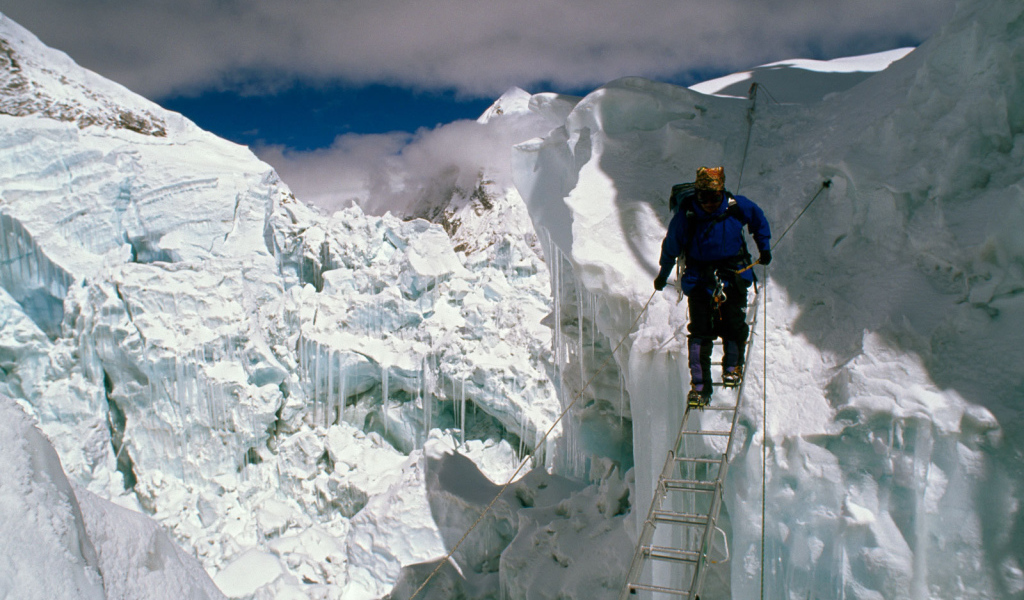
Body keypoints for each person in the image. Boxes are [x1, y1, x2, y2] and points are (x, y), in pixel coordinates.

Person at [654, 166, 772, 407]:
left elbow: (759, 221)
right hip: (700, 280)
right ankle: (700, 387)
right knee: (700, 333)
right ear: (697, 195)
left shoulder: (737, 206)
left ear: (722, 193)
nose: (709, 203)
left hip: (733, 276)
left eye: (714, 198)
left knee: (733, 326)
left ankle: (732, 368)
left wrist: (765, 248)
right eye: (704, 198)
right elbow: (671, 248)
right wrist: (663, 275)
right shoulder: (686, 217)